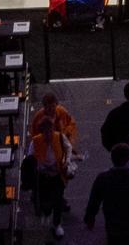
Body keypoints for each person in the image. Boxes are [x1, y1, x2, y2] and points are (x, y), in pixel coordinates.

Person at [82, 143, 129, 245]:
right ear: (128, 158)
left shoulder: (103, 179)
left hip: (114, 226)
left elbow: (94, 201)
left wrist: (90, 218)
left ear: (112, 159)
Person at [28, 93, 79, 238]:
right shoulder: (37, 137)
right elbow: (32, 156)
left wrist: (67, 160)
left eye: (53, 105)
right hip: (43, 175)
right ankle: (46, 209)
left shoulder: (60, 128)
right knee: (45, 200)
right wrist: (40, 167)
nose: (49, 134)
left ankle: (57, 223)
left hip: (57, 173)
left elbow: (69, 134)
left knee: (57, 197)